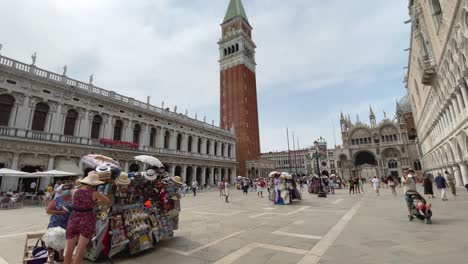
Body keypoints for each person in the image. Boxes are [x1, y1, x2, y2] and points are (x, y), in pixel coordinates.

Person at [64, 172, 109, 264]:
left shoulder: (75, 191)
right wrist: (97, 201)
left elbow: (75, 203)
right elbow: (107, 201)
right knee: (80, 250)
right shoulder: (95, 193)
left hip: (74, 218)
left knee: (69, 249)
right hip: (87, 219)